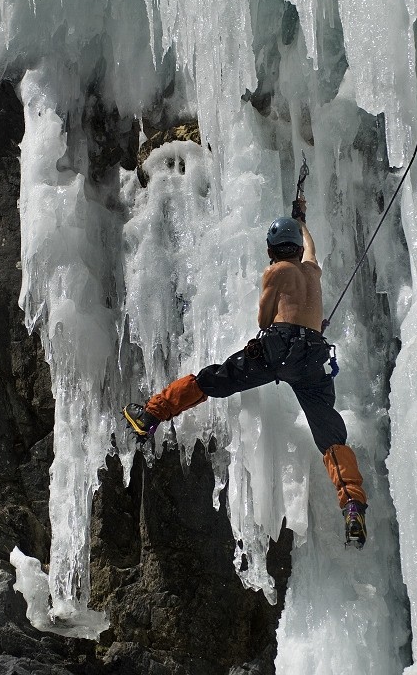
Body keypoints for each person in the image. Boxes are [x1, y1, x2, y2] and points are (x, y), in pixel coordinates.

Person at [124, 201, 368, 547]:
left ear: (271, 250)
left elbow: (264, 320)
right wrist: (303, 223)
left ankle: (151, 414)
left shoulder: (275, 272)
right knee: (330, 435)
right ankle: (353, 507)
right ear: (298, 247)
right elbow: (312, 251)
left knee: (214, 379)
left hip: (278, 349)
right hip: (312, 357)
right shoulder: (312, 271)